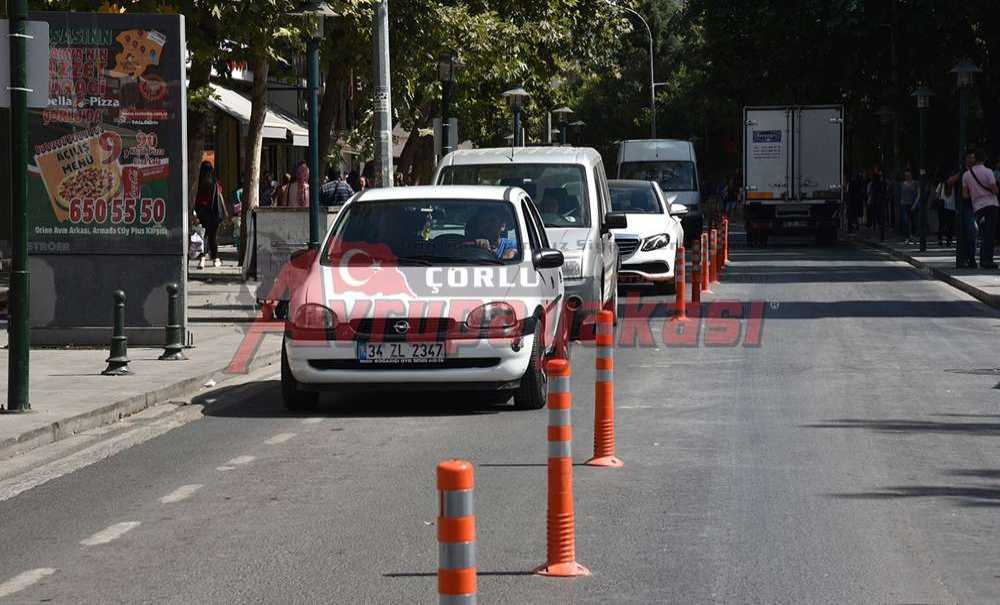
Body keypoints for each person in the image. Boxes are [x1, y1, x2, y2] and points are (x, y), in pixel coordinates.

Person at [961, 148, 999, 268]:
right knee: (989, 233)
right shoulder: (988, 172)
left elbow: (965, 195)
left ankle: (976, 259)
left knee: (979, 233)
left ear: (975, 159)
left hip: (977, 207)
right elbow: (994, 189)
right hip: (992, 205)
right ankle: (986, 260)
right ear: (984, 159)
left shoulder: (966, 175)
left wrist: (975, 194)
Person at [193, 161, 227, 269]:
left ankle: (202, 259)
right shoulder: (214, 182)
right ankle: (215, 259)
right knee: (213, 237)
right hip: (214, 214)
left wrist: (194, 214)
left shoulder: (198, 183)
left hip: (202, 213)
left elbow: (195, 199)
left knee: (203, 237)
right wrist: (225, 212)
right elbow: (220, 198)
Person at [934, 170, 956, 247]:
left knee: (945, 224)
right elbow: (937, 194)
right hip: (948, 207)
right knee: (947, 224)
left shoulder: (944, 184)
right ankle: (947, 240)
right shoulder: (946, 184)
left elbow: (936, 195)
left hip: (946, 207)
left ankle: (943, 239)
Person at [899, 170, 918, 244]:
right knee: (905, 221)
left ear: (911, 176)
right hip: (904, 204)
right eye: (906, 175)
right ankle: (907, 237)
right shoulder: (902, 184)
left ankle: (912, 236)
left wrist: (915, 204)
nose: (907, 177)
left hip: (912, 204)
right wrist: (901, 201)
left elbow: (918, 194)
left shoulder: (915, 183)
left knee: (913, 222)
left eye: (908, 175)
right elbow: (901, 194)